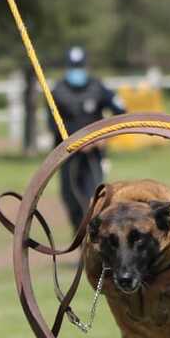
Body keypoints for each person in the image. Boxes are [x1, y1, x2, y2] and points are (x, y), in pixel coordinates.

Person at [47, 46, 126, 229]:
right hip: (68, 156)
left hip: (94, 155)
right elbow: (52, 124)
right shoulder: (57, 91)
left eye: (79, 66)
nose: (77, 71)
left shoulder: (98, 87)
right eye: (74, 67)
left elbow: (121, 111)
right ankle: (80, 238)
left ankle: (95, 238)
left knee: (95, 199)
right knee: (71, 199)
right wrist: (76, 143)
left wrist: (103, 137)